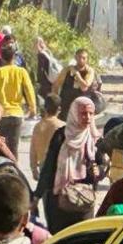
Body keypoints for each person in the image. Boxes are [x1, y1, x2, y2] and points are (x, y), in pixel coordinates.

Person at [37, 97, 102, 231]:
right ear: (74, 114)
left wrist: (97, 171)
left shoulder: (95, 139)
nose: (88, 117)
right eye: (83, 113)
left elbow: (100, 165)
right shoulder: (61, 136)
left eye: (91, 114)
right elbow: (49, 167)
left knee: (82, 241)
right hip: (60, 202)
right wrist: (37, 195)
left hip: (84, 201)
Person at [0, 43, 37, 158]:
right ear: (14, 57)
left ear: (1, 57)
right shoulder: (22, 72)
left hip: (2, 116)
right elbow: (29, 90)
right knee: (14, 148)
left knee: (1, 147)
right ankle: (15, 171)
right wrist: (33, 109)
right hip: (17, 114)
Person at [53, 48, 100, 120]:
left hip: (82, 106)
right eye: (79, 57)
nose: (81, 60)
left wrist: (77, 75)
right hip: (67, 105)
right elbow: (56, 84)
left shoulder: (89, 71)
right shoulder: (67, 70)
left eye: (84, 58)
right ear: (75, 57)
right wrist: (55, 101)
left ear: (87, 59)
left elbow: (84, 87)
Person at [30, 95, 64, 180]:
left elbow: (33, 150)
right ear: (59, 109)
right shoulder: (62, 126)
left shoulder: (38, 126)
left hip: (43, 165)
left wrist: (34, 169)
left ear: (45, 108)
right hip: (58, 166)